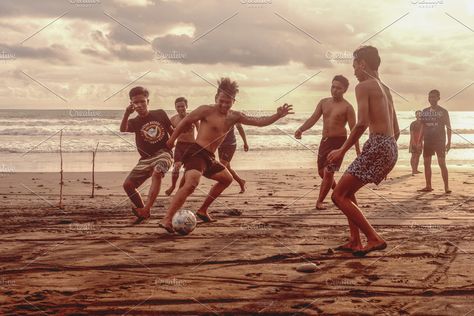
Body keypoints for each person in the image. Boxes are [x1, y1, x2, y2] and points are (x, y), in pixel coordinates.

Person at [159, 77, 293, 233]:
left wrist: (277, 116)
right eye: (221, 101)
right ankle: (167, 219)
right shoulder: (206, 110)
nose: (223, 105)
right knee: (191, 183)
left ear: (233, 101)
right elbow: (186, 121)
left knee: (227, 179)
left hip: (209, 157)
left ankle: (202, 210)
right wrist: (172, 139)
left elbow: (258, 122)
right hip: (196, 152)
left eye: (227, 102)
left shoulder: (235, 116)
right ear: (216, 97)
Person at [327, 46, 400, 257]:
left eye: (354, 66)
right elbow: (395, 130)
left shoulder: (363, 86)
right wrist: (387, 156)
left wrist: (341, 150)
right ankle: (354, 240)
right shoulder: (385, 89)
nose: (354, 72)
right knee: (348, 192)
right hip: (389, 147)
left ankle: (373, 238)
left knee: (338, 195)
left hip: (378, 145)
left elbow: (361, 124)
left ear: (362, 64)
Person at [295, 75, 360, 210]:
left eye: (338, 88)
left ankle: (320, 201)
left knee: (329, 172)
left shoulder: (347, 107)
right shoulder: (324, 102)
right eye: (333, 86)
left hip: (339, 143)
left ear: (344, 90)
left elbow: (354, 130)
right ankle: (339, 191)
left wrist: (358, 151)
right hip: (325, 141)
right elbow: (313, 118)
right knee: (321, 173)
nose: (335, 90)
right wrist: (301, 129)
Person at [120, 86, 174, 221]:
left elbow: (172, 132)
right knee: (128, 185)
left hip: (164, 153)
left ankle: (147, 209)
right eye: (136, 102)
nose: (139, 105)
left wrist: (174, 146)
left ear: (147, 101)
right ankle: (143, 209)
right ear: (132, 104)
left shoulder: (160, 114)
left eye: (142, 101)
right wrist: (127, 113)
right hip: (145, 158)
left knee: (157, 172)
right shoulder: (134, 121)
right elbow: (123, 129)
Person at [418, 90, 452, 193]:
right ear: (428, 98)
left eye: (434, 97)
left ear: (438, 98)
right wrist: (419, 141)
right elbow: (422, 127)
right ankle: (428, 185)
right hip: (428, 140)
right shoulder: (425, 111)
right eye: (430, 97)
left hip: (440, 140)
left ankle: (446, 187)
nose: (431, 99)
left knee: (442, 163)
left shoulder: (443, 111)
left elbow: (449, 127)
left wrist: (449, 142)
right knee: (426, 163)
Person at [165, 97, 199, 196]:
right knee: (176, 167)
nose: (180, 108)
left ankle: (180, 189)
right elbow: (169, 132)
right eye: (178, 106)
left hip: (191, 146)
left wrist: (199, 145)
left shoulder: (193, 117)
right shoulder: (173, 119)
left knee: (188, 170)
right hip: (180, 146)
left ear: (186, 106)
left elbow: (200, 130)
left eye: (182, 106)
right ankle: (173, 186)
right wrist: (170, 143)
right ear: (175, 107)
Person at [218, 123, 249, 193]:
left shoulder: (233, 115)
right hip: (220, 145)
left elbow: (240, 129)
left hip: (230, 145)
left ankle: (219, 187)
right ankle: (241, 182)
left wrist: (245, 143)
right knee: (227, 168)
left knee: (221, 167)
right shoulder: (217, 115)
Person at [409, 110, 424, 175]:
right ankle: (413, 170)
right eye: (417, 114)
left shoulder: (423, 123)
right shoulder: (413, 124)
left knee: (418, 156)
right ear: (416, 115)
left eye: (420, 114)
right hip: (414, 141)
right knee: (413, 156)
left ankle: (416, 169)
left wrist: (421, 142)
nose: (419, 115)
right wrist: (413, 142)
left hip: (420, 142)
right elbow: (411, 134)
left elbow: (423, 134)